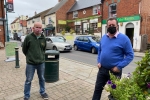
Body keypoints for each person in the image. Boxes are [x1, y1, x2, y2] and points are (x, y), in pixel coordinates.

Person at [92, 17, 134, 100]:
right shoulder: (104, 37)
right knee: (97, 90)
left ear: (117, 26)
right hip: (102, 70)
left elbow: (130, 55)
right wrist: (99, 61)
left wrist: (119, 66)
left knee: (113, 94)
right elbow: (100, 50)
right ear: (107, 26)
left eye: (113, 25)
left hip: (115, 72)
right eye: (109, 25)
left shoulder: (124, 39)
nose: (111, 26)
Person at [22, 22, 48, 100]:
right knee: (28, 80)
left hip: (41, 63)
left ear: (41, 29)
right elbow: (24, 49)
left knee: (42, 78)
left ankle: (42, 92)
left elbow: (44, 49)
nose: (38, 29)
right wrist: (30, 57)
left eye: (40, 27)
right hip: (31, 63)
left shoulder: (43, 38)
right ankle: (26, 96)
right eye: (36, 27)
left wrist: (41, 56)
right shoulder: (28, 37)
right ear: (33, 28)